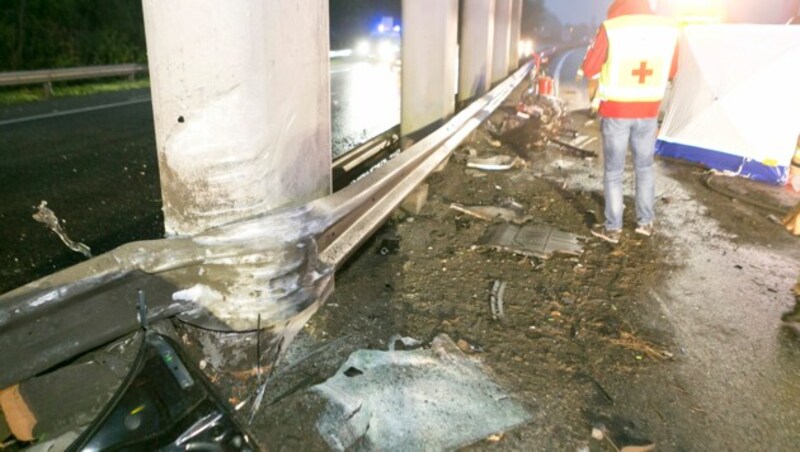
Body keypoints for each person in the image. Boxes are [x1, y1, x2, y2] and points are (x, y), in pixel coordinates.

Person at [581, 0, 679, 244]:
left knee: (614, 171)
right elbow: (672, 71)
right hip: (648, 110)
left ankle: (613, 228)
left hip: (616, 110)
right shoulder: (668, 29)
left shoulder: (612, 27)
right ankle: (645, 222)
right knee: (644, 168)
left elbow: (589, 68)